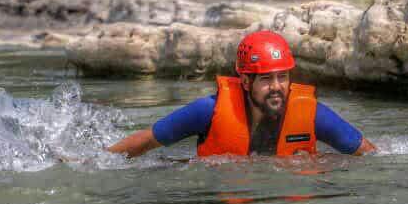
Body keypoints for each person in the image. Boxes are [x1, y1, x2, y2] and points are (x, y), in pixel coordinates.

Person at [107, 30, 376, 159]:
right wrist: (99, 161)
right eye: (266, 79)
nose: (277, 87)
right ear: (245, 81)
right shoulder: (207, 112)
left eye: (282, 77)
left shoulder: (312, 113)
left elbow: (370, 156)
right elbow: (147, 140)